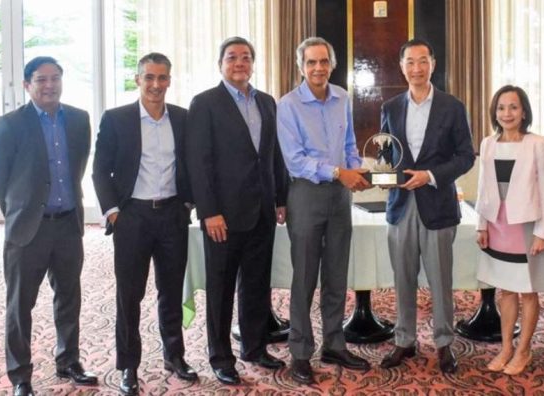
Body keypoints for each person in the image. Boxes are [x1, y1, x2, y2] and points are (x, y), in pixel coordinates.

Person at [0, 56, 97, 396]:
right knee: (20, 305)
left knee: (69, 298)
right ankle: (21, 376)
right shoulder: (9, 124)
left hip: (67, 225)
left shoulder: (79, 120)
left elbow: (78, 166)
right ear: (27, 85)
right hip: (27, 230)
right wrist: (18, 209)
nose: (49, 85)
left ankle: (69, 361)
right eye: (41, 79)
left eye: (55, 78)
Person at [185, 37, 289, 385]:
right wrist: (209, 212)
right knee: (221, 286)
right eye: (232, 57)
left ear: (253, 63)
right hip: (223, 217)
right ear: (220, 64)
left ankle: (255, 347)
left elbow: (273, 153)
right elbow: (198, 163)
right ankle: (220, 356)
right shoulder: (205, 103)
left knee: (257, 283)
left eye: (246, 57)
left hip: (261, 210)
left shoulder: (266, 102)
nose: (239, 62)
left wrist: (281, 197)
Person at [92, 53, 197, 395]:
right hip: (132, 218)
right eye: (149, 77)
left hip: (171, 216)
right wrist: (112, 212)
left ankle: (174, 355)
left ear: (169, 80)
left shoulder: (182, 118)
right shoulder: (117, 118)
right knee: (130, 295)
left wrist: (188, 203)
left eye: (162, 78)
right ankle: (129, 366)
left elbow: (195, 164)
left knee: (171, 291)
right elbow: (100, 170)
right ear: (137, 79)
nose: (155, 84)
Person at [277, 36, 371, 385]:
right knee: (304, 277)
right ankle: (300, 352)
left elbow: (348, 145)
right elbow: (295, 160)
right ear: (301, 67)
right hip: (305, 195)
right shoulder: (287, 105)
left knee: (336, 275)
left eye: (324, 62)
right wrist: (337, 172)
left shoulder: (342, 97)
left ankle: (334, 342)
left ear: (332, 65)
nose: (318, 68)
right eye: (311, 62)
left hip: (339, 198)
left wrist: (357, 169)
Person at [378, 39, 475, 373]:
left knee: (439, 279)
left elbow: (465, 156)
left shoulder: (452, 106)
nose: (416, 68)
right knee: (402, 278)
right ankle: (404, 341)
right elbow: (386, 153)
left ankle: (444, 343)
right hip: (401, 204)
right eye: (409, 62)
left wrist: (431, 175)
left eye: (423, 61)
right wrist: (382, 173)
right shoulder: (390, 107)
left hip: (438, 204)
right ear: (401, 65)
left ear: (433, 63)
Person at [475, 85, 544, 375]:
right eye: (501, 107)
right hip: (497, 226)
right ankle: (506, 347)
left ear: (524, 112)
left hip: (525, 227)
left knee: (527, 292)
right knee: (506, 291)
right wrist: (481, 224)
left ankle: (524, 350)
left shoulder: (538, 143)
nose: (506, 113)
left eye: (513, 107)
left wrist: (543, 232)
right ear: (494, 112)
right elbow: (484, 188)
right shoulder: (488, 144)